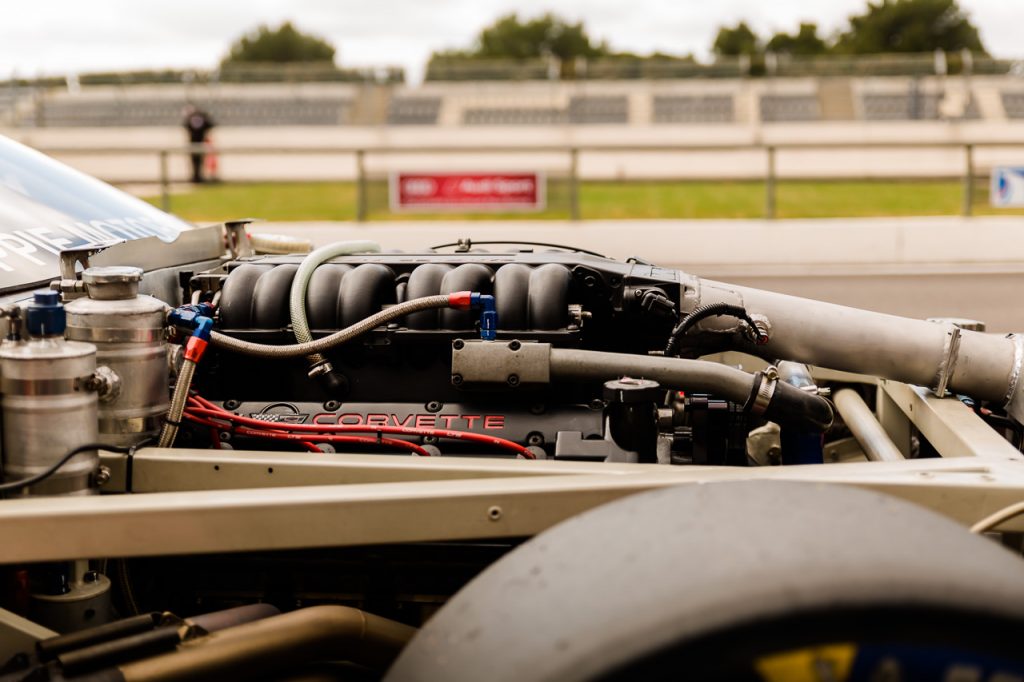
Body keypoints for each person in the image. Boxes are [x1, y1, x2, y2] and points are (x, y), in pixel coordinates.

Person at [182, 105, 215, 183]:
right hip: (200, 143)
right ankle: (198, 177)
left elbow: (185, 126)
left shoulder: (191, 117)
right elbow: (210, 125)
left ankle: (196, 177)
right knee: (199, 161)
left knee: (195, 162)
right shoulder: (202, 117)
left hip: (194, 143)